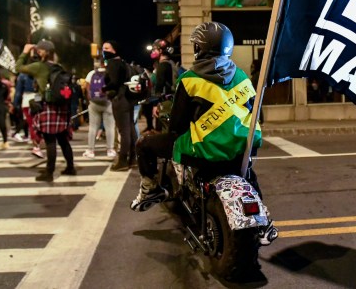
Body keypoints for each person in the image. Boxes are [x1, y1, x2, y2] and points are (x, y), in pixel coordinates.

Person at [129, 22, 277, 245]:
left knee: (144, 144)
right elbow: (258, 115)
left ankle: (150, 190)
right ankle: (263, 223)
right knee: (247, 174)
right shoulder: (242, 77)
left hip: (204, 149)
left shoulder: (190, 80)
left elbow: (178, 126)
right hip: (242, 146)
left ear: (200, 48)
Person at [16, 40, 76, 181]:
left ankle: (49, 173)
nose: (37, 52)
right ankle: (70, 167)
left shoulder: (39, 67)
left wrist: (25, 52)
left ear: (44, 52)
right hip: (61, 107)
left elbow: (18, 67)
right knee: (63, 140)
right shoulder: (58, 66)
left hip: (48, 107)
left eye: (39, 50)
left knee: (50, 141)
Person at [102, 40, 136, 171]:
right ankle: (133, 158)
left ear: (114, 50)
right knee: (131, 129)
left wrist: (104, 89)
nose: (104, 51)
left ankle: (122, 160)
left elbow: (114, 82)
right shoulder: (123, 63)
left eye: (107, 48)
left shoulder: (112, 64)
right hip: (128, 98)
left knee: (124, 131)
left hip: (120, 99)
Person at [82, 57, 117, 159]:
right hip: (108, 103)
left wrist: (91, 99)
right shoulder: (111, 73)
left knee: (93, 127)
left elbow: (87, 88)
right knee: (110, 127)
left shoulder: (92, 73)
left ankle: (91, 150)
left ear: (99, 63)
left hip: (94, 103)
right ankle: (110, 150)